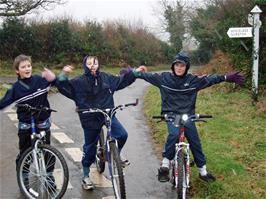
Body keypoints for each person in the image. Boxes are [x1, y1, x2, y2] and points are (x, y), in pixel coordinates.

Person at [134, 51, 245, 183]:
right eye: (177, 65)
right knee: (174, 135)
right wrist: (131, 73)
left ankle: (202, 171)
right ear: (173, 66)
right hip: (171, 115)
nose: (179, 68)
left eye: (182, 66)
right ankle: (165, 165)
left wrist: (226, 77)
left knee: (194, 141)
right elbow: (145, 75)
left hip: (188, 116)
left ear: (186, 67)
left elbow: (210, 79)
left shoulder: (193, 81)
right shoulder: (164, 78)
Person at [55, 55, 142, 190]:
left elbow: (121, 81)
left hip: (107, 114)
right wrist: (63, 75)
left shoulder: (107, 78)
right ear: (85, 66)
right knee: (90, 147)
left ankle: (113, 153)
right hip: (89, 117)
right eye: (89, 64)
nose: (93, 66)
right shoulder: (79, 81)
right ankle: (86, 175)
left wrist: (134, 73)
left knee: (122, 135)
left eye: (95, 63)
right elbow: (63, 87)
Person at [0, 54, 56, 188]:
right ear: (17, 71)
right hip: (26, 124)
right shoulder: (15, 89)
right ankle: (23, 177)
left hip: (42, 121)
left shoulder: (39, 80)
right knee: (26, 153)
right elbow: (3, 104)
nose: (27, 69)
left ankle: (49, 177)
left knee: (48, 152)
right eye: (23, 67)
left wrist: (55, 77)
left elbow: (57, 82)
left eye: (29, 66)